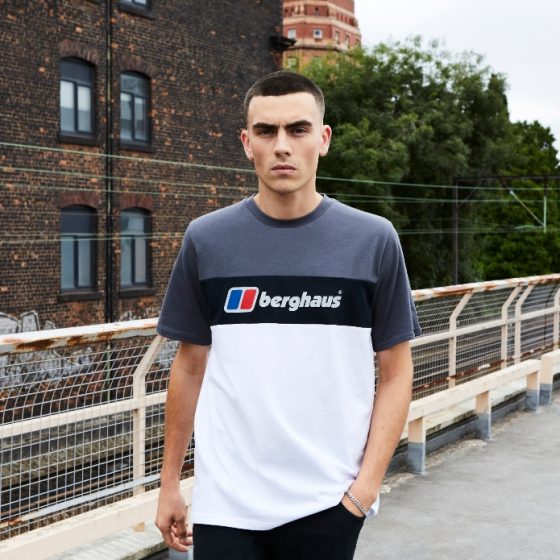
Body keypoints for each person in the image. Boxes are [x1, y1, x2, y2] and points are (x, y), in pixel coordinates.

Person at [155, 70, 421, 560]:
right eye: (266, 131)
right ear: (246, 143)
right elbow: (189, 366)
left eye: (298, 129)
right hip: (226, 504)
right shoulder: (207, 239)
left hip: (327, 503)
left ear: (323, 139)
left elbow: (397, 372)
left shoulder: (373, 240)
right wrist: (169, 483)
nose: (282, 146)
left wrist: (362, 492)